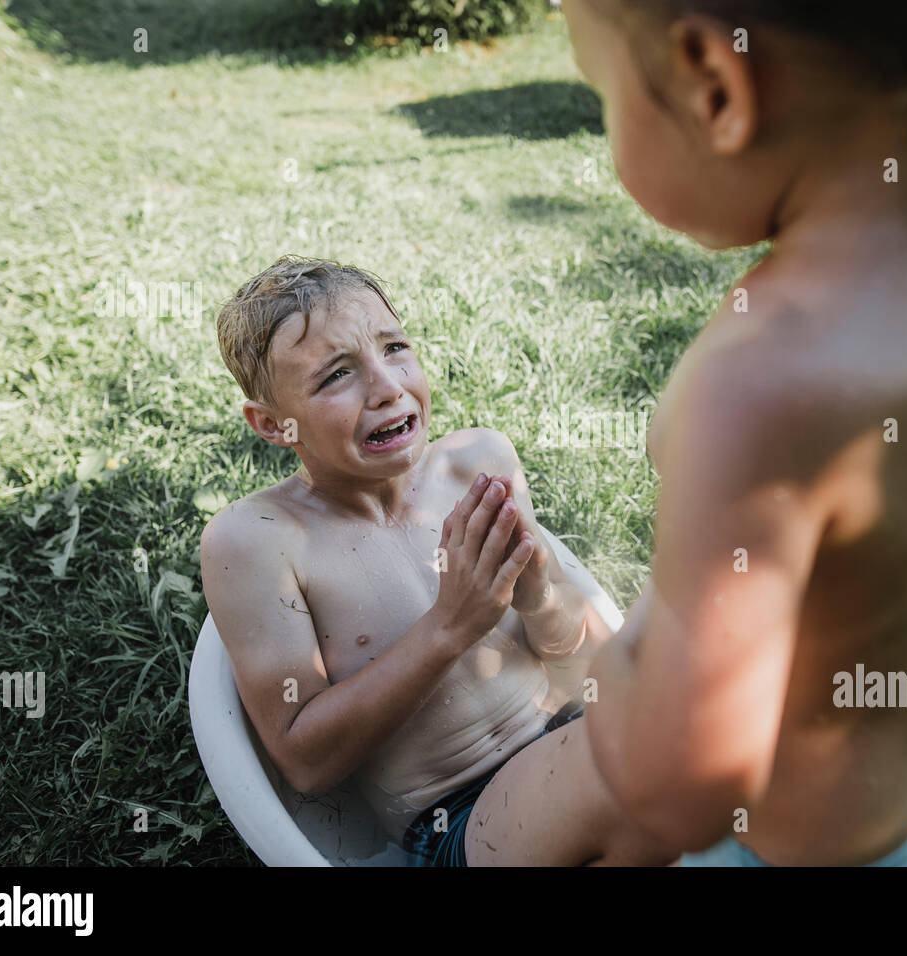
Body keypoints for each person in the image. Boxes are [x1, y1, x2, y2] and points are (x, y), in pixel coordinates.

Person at [559, 0, 907, 864]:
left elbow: (682, 790)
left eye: (603, 94)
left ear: (716, 83)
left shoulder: (765, 381)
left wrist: (609, 670)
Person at [201, 256, 678, 865]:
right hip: (467, 817)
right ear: (273, 424)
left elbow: (590, 666)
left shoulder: (477, 462)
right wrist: (450, 627)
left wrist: (538, 595)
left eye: (394, 347)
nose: (387, 387)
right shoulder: (259, 540)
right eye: (336, 376)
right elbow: (304, 761)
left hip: (580, 733)